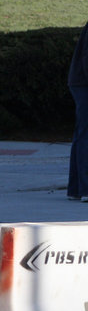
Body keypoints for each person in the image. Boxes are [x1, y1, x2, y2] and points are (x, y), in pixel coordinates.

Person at [67, 20, 88, 200]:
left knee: (82, 133)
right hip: (84, 83)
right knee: (86, 134)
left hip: (80, 81)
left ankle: (76, 189)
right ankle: (85, 189)